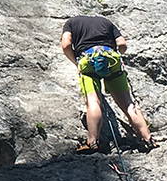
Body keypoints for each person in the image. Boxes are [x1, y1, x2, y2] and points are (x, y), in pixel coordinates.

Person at [60, 16, 157, 154]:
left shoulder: (71, 23)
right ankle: (148, 139)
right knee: (128, 104)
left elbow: (66, 45)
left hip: (88, 60)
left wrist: (76, 62)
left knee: (93, 102)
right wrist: (117, 55)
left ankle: (92, 142)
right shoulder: (106, 22)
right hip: (112, 60)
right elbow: (122, 45)